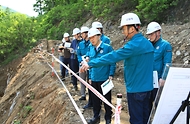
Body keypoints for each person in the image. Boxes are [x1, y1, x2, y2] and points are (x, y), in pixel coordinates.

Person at [80, 13, 154, 124]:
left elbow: (113, 56)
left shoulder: (133, 46)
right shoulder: (147, 44)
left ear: (132, 29)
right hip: (147, 89)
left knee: (136, 120)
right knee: (145, 118)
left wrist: (91, 64)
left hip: (135, 90)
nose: (123, 32)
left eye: (124, 29)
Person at [83, 28, 116, 124]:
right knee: (95, 100)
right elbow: (90, 63)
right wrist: (90, 77)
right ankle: (96, 116)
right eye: (90, 38)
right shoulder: (90, 48)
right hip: (94, 78)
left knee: (106, 100)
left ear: (99, 36)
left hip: (105, 78)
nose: (92, 40)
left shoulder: (107, 48)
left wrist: (111, 74)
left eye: (93, 37)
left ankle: (108, 118)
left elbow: (112, 62)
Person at [146, 22, 172, 107]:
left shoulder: (165, 45)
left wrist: (163, 78)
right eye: (148, 34)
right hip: (147, 79)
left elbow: (167, 63)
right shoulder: (147, 44)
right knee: (146, 104)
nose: (150, 36)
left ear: (158, 32)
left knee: (159, 104)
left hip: (158, 80)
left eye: (151, 34)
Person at [77, 26, 90, 101]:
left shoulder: (91, 43)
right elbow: (78, 54)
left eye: (82, 33)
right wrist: (80, 61)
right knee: (82, 80)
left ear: (86, 33)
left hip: (89, 65)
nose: (81, 35)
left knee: (89, 80)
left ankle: (91, 95)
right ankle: (83, 94)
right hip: (82, 64)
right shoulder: (81, 44)